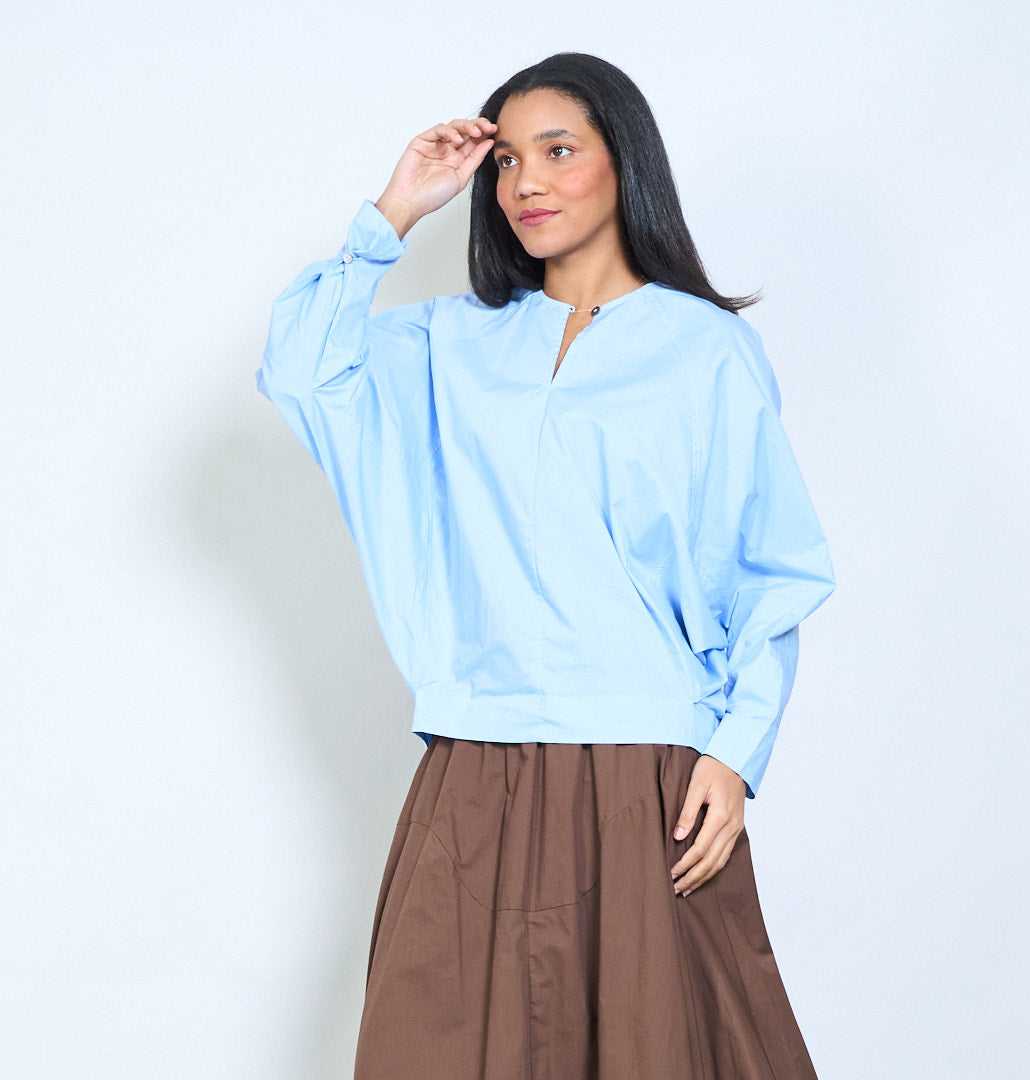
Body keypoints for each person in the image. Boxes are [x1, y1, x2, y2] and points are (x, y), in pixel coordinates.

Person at [257, 51, 836, 1080]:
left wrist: (737, 751)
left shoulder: (704, 349)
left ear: (625, 161)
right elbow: (301, 371)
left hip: (647, 770)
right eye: (507, 161)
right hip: (476, 759)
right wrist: (396, 209)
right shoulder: (450, 343)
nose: (525, 181)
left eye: (558, 151)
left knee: (662, 1055)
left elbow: (769, 569)